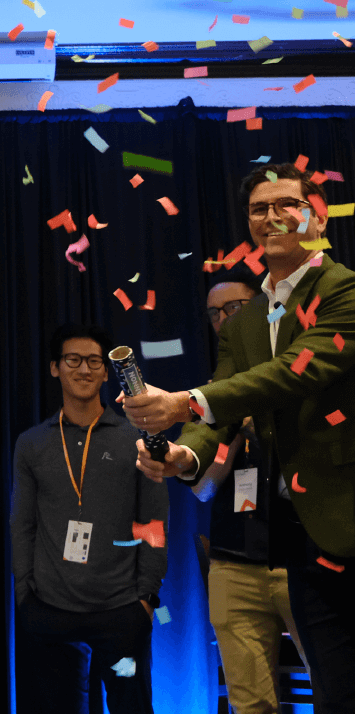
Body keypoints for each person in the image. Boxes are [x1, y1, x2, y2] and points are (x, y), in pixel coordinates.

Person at [119, 163, 355, 713]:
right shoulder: (248, 320)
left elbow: (292, 373)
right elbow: (224, 396)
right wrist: (184, 453)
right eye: (258, 208)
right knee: (336, 690)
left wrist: (181, 403)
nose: (271, 217)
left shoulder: (345, 289)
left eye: (285, 205)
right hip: (298, 539)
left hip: (347, 520)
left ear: (315, 214)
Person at [11, 324, 168, 714]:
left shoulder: (137, 434)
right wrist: (24, 595)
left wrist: (147, 598)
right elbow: (22, 524)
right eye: (73, 360)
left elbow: (154, 521)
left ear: (105, 371)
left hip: (121, 611)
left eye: (94, 361)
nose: (84, 369)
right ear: (55, 368)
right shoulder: (31, 442)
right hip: (49, 611)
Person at [194, 269, 310, 714]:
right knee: (251, 704)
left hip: (302, 559)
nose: (223, 319)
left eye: (235, 308)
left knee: (336, 685)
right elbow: (201, 489)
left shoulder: (301, 370)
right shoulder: (210, 393)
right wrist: (237, 428)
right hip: (234, 564)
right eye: (214, 313)